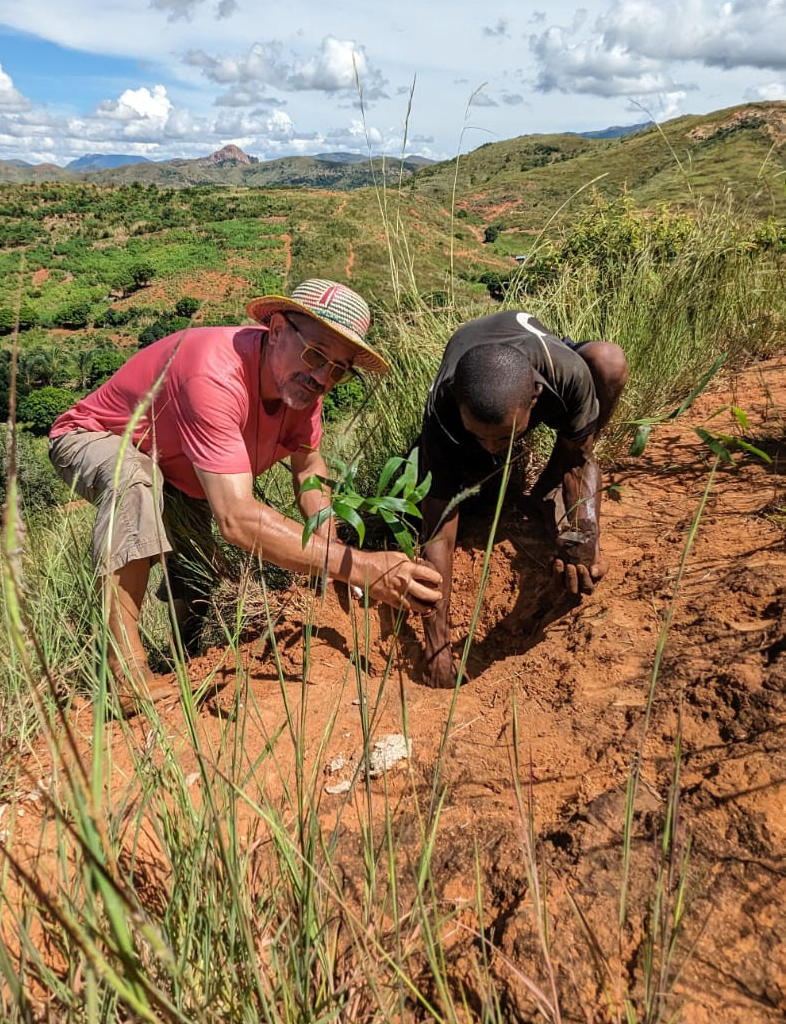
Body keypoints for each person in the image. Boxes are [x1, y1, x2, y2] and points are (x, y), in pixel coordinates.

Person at [49, 279, 442, 712]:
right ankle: (123, 673)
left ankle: (184, 659)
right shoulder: (213, 373)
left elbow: (309, 470)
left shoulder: (303, 391)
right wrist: (363, 568)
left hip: (181, 469)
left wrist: (333, 556)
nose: (322, 377)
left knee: (201, 571)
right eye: (315, 355)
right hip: (98, 438)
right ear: (276, 330)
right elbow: (235, 519)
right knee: (135, 479)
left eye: (338, 370)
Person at [417, 310, 628, 690]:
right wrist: (437, 648)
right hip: (475, 380)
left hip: (533, 363)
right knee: (467, 483)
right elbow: (438, 526)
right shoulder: (443, 410)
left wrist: (583, 535)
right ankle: (493, 470)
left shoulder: (565, 376)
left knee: (609, 361)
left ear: (536, 398)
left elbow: (581, 464)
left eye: (503, 437)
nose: (493, 446)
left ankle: (550, 478)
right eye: (481, 436)